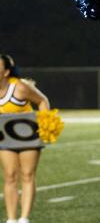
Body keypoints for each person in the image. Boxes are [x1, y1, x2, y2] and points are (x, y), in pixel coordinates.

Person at [0, 54, 51, 223]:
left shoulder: (20, 87)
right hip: (5, 137)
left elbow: (43, 101)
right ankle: (11, 219)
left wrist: (45, 126)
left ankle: (24, 218)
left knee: (27, 174)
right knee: (9, 175)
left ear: (6, 72)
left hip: (27, 136)